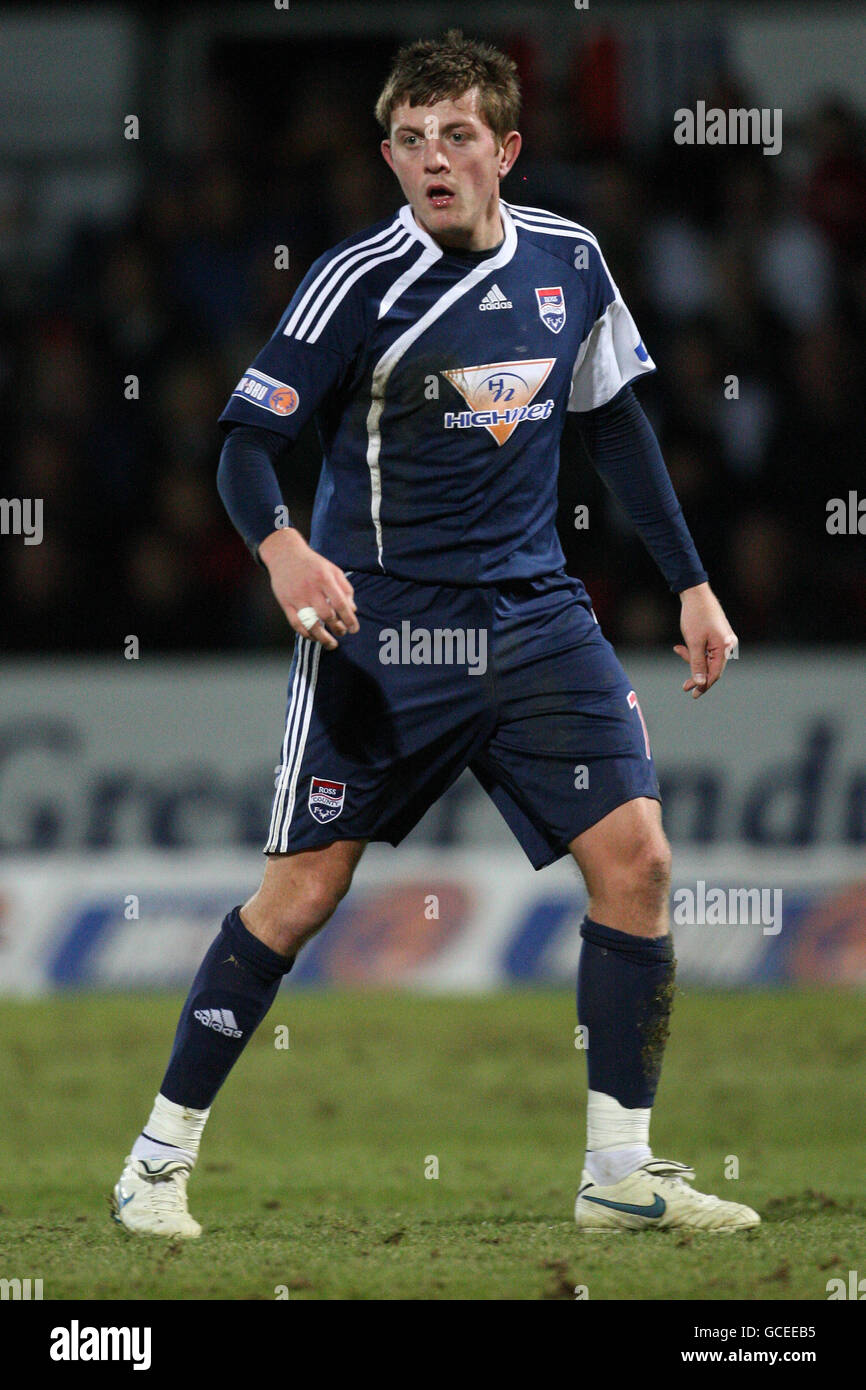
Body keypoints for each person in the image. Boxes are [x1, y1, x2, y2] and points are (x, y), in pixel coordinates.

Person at [113, 29, 758, 1238]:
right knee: (300, 896)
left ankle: (619, 1172)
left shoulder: (569, 260)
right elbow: (245, 442)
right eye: (409, 140)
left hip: (535, 616)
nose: (432, 160)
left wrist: (690, 582)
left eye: (456, 135)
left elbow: (612, 422)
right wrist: (283, 545)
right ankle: (154, 1160)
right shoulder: (355, 282)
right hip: (384, 625)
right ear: (388, 153)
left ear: (505, 148)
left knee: (638, 862)